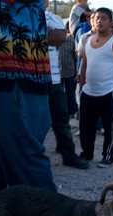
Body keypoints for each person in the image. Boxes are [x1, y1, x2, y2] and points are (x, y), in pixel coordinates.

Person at [0, 0, 56, 192]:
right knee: (6, 154)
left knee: (23, 156)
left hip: (14, 79)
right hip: (21, 79)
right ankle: (8, 213)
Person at [79, 7, 113, 168]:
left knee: (110, 127)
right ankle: (87, 153)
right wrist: (81, 86)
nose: (99, 21)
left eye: (104, 18)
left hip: (108, 92)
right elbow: (84, 66)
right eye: (97, 18)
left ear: (110, 23)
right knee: (86, 127)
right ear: (92, 21)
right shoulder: (87, 41)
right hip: (88, 92)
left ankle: (108, 156)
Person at [44, 0, 89, 169]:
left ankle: (69, 156)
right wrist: (47, 35)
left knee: (61, 119)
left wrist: (34, 36)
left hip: (53, 80)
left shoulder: (50, 17)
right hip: (30, 79)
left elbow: (60, 36)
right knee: (33, 122)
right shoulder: (21, 16)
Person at [59, 22, 79, 117]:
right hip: (58, 74)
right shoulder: (51, 42)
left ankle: (71, 111)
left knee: (70, 93)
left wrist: (76, 74)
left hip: (69, 72)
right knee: (59, 95)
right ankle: (61, 112)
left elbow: (75, 58)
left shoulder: (70, 42)